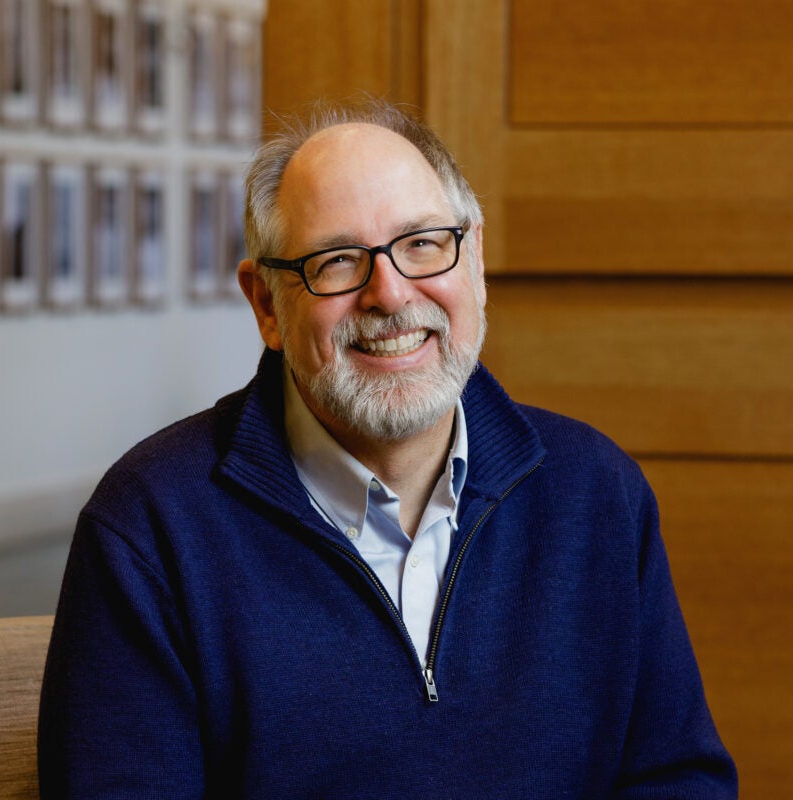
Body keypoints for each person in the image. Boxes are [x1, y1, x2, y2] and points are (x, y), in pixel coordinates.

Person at [39, 97, 737, 799]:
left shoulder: (596, 490)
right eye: (338, 260)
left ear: (476, 262)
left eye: (424, 244)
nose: (391, 293)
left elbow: (679, 779)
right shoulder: (150, 527)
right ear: (266, 305)